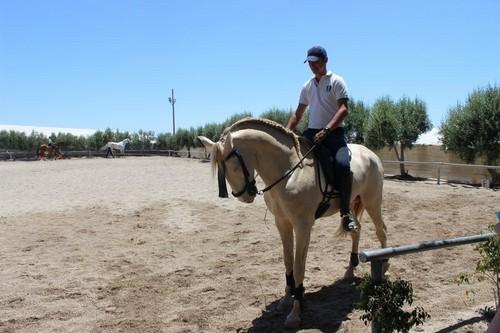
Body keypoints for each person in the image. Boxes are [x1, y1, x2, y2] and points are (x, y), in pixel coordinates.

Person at [286, 46, 356, 232]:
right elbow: (298, 113)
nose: (312, 66)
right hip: (311, 133)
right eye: (310, 63)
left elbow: (343, 109)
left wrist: (326, 130)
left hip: (334, 135)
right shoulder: (307, 86)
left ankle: (345, 212)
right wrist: (286, 132)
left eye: (316, 62)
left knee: (342, 165)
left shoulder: (337, 81)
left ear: (325, 60)